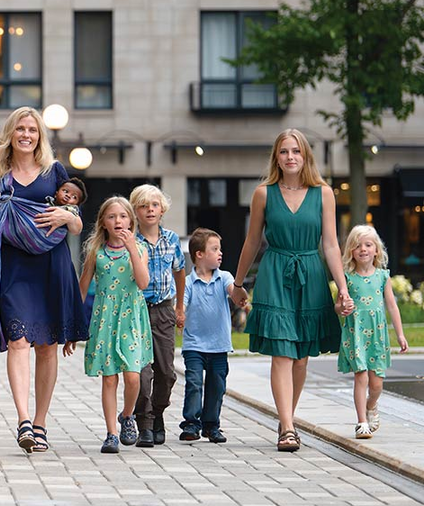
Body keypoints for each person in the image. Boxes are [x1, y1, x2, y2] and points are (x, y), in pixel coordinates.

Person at [0, 106, 89, 453]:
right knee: (18, 341)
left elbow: (77, 223)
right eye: (20, 129)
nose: (26, 135)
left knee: (47, 347)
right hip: (12, 269)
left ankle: (41, 422)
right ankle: (24, 420)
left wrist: (65, 216)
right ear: (10, 135)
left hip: (51, 266)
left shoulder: (54, 171)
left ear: (40, 135)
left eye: (32, 129)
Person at [231, 128, 354, 452]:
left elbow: (330, 244)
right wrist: (239, 284)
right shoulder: (263, 193)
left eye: (296, 151)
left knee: (301, 358)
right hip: (276, 273)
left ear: (305, 156)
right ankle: (287, 426)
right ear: (277, 157)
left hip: (311, 275)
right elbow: (253, 241)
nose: (290, 157)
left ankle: (289, 417)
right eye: (284, 151)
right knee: (283, 353)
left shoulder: (323, 193)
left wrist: (342, 288)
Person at [63, 196, 150, 454]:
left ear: (131, 220)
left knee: (133, 377)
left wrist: (132, 248)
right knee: (109, 379)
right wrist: (73, 327)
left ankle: (127, 416)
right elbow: (81, 288)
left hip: (131, 318)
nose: (118, 221)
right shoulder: (95, 251)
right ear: (103, 222)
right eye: (112, 217)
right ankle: (111, 432)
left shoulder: (141, 249)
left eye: (123, 216)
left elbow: (143, 283)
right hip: (105, 319)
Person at [335, 225, 408, 439]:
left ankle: (371, 405)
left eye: (368, 245)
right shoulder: (347, 278)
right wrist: (342, 307)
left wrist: (400, 334)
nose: (363, 249)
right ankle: (361, 422)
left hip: (377, 336)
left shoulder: (382, 276)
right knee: (361, 377)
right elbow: (337, 307)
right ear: (351, 251)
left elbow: (392, 306)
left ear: (376, 250)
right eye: (357, 246)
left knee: (376, 384)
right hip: (356, 333)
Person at [129, 184, 186, 447]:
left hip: (164, 310)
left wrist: (179, 307)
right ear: (135, 212)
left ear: (162, 209)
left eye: (154, 205)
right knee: (142, 373)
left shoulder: (172, 239)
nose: (149, 209)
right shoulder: (131, 241)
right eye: (143, 205)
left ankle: (158, 412)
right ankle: (145, 423)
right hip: (138, 312)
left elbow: (179, 272)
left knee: (166, 372)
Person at [178, 228, 234, 444]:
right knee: (193, 383)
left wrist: (240, 295)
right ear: (199, 254)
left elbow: (233, 291)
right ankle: (191, 423)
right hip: (194, 344)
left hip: (219, 345)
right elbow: (181, 303)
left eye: (219, 249)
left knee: (217, 386)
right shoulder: (189, 282)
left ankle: (212, 425)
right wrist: (180, 313)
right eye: (214, 249)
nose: (220, 253)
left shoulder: (224, 278)